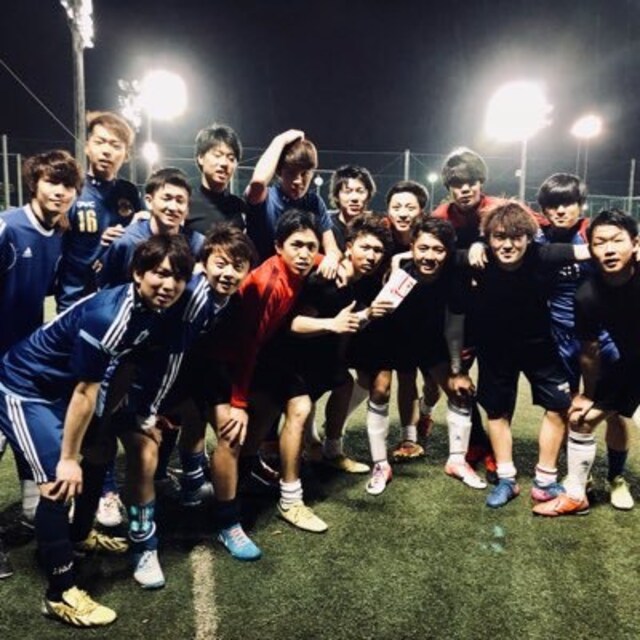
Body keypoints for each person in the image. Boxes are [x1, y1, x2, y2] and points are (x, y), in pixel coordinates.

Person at [0, 235, 193, 626]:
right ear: (138, 273)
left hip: (63, 389)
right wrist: (68, 458)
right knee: (57, 482)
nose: (169, 284)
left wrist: (105, 426)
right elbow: (86, 391)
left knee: (101, 452)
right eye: (159, 273)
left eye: (178, 277)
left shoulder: (153, 311)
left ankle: (79, 536)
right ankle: (60, 593)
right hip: (26, 387)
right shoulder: (111, 314)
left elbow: (124, 367)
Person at [451, 201, 590, 509]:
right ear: (489, 238)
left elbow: (591, 250)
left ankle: (545, 481)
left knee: (559, 406)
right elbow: (434, 255)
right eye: (499, 237)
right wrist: (398, 259)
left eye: (516, 237)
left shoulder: (544, 254)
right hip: (495, 349)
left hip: (539, 346)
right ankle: (507, 479)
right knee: (496, 412)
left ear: (529, 238)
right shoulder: (478, 257)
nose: (508, 245)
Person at [0, 149, 83, 579]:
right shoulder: (8, 226)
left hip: (21, 357)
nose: (60, 192)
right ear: (34, 183)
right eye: (53, 182)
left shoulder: (59, 232)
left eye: (68, 185)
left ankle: (33, 511)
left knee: (25, 437)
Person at [355, 217, 481, 495]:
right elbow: (379, 316)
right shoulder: (401, 275)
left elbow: (454, 326)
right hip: (392, 337)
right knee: (380, 389)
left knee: (460, 390)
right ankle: (380, 465)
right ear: (412, 247)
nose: (429, 256)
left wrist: (458, 370)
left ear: (448, 252)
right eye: (423, 248)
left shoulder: (453, 277)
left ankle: (456, 461)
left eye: (438, 250)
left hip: (430, 341)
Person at [534, 209, 640, 517]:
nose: (609, 249)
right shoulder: (587, 295)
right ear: (589, 249)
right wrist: (589, 394)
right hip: (628, 366)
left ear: (635, 243)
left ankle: (614, 479)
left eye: (617, 240)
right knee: (581, 419)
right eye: (600, 243)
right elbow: (589, 351)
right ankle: (576, 494)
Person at [230, 209, 329, 532]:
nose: (304, 254)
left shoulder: (304, 263)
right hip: (234, 357)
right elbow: (246, 344)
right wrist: (238, 401)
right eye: (296, 245)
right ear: (278, 247)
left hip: (268, 353)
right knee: (252, 420)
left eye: (311, 247)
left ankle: (249, 481)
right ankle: (285, 499)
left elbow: (317, 257)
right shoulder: (268, 284)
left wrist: (331, 259)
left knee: (275, 411)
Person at [290, 214, 393, 473]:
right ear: (348, 247)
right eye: (365, 247)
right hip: (298, 359)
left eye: (378, 250)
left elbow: (348, 321)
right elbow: (296, 324)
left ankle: (332, 451)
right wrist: (332, 324)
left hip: (327, 354)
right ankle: (292, 472)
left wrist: (367, 314)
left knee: (344, 383)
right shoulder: (327, 278)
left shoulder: (358, 281)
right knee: (298, 411)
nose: (371, 256)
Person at [55, 111, 141, 310]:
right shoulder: (72, 190)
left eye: (115, 145)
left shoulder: (129, 192)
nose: (106, 151)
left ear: (126, 155)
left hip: (120, 299)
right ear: (87, 147)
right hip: (76, 300)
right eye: (100, 142)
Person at [244, 129, 341, 277]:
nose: (298, 181)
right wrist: (280, 140)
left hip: (297, 282)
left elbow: (332, 249)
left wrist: (332, 258)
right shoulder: (264, 197)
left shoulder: (314, 202)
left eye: (304, 173)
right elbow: (258, 182)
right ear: (279, 171)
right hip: (262, 281)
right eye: (291, 172)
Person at [97, 167, 203, 287]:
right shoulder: (125, 242)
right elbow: (106, 288)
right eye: (167, 198)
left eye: (180, 201)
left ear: (187, 208)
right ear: (149, 201)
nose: (173, 207)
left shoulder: (197, 244)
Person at [186, 123, 247, 233]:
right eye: (217, 155)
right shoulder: (186, 203)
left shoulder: (239, 207)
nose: (224, 163)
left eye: (231, 158)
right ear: (200, 158)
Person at [328, 165, 377, 251]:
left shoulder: (375, 226)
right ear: (336, 195)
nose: (354, 198)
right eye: (347, 191)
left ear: (368, 195)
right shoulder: (326, 226)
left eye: (360, 191)